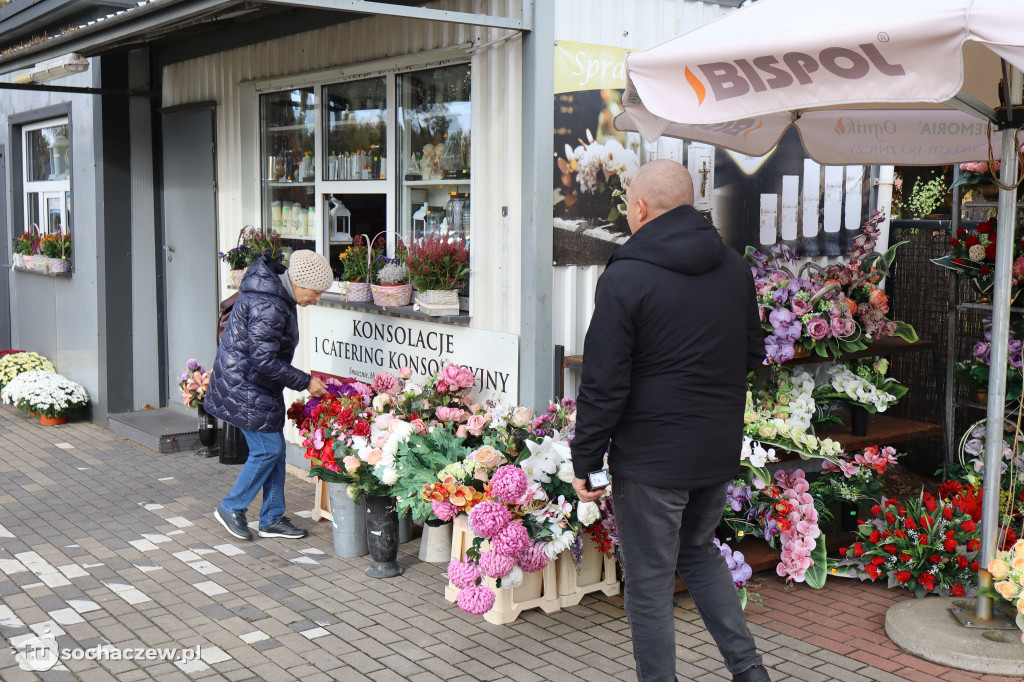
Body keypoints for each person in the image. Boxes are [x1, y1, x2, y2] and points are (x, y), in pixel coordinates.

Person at [570, 160, 770, 682]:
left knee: (650, 583)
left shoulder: (627, 275)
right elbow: (752, 351)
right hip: (716, 450)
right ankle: (750, 671)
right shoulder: (733, 267)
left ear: (639, 208)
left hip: (653, 461)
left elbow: (603, 382)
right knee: (698, 552)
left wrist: (586, 461)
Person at [205, 249, 332, 541]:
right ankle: (231, 507)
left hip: (256, 384)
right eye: (316, 292)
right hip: (246, 386)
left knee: (275, 449)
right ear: (300, 283)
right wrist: (306, 382)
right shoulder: (270, 303)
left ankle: (272, 517)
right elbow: (264, 360)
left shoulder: (277, 296)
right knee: (269, 449)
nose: (317, 298)